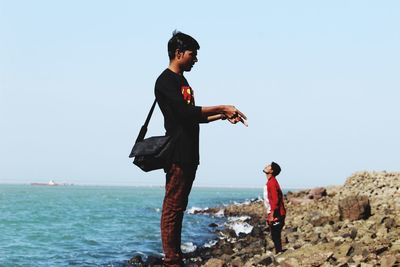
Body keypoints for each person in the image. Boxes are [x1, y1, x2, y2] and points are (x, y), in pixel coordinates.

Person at [155, 30, 247, 267]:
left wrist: (223, 116)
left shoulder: (182, 81)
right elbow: (184, 113)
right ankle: (171, 260)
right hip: (177, 153)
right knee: (172, 207)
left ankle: (175, 256)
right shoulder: (165, 81)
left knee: (179, 206)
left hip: (189, 153)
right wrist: (222, 106)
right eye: (192, 54)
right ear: (178, 53)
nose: (195, 60)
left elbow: (193, 117)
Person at [263, 161, 286, 253]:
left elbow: (275, 201)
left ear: (271, 171)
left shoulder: (272, 183)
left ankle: (279, 254)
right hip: (275, 213)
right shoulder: (270, 182)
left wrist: (272, 215)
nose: (266, 166)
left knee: (275, 236)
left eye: (269, 166)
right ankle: (279, 253)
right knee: (275, 236)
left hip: (277, 214)